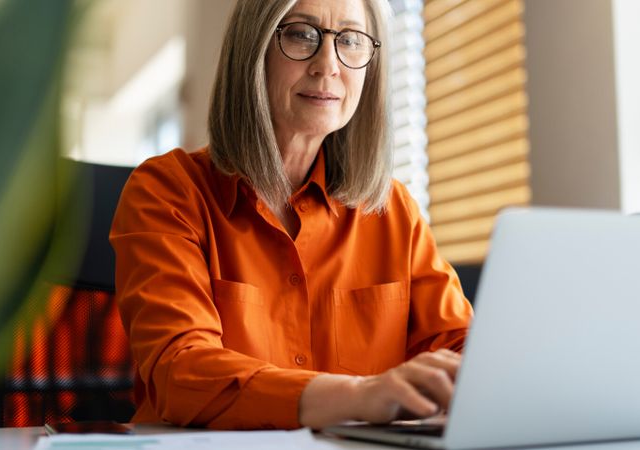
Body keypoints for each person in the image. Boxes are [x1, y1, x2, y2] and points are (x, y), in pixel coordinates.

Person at [110, 0, 473, 430]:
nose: (328, 66)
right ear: (254, 49)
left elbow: (463, 351)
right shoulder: (166, 191)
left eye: (351, 40)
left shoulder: (393, 210)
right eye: (302, 34)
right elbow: (181, 371)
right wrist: (358, 397)